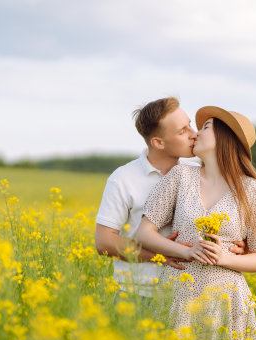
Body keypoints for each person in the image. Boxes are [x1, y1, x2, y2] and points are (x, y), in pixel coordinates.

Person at [135, 106, 256, 340]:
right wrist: (185, 251)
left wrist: (223, 257)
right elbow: (143, 234)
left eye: (207, 127)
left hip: (225, 298)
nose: (197, 132)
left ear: (226, 139)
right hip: (178, 293)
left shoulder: (251, 190)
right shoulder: (179, 177)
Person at [95, 97, 245, 302]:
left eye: (190, 125)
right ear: (158, 142)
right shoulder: (123, 179)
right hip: (137, 294)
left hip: (186, 297)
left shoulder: (198, 173)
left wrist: (235, 247)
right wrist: (160, 256)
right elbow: (104, 242)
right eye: (182, 131)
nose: (194, 134)